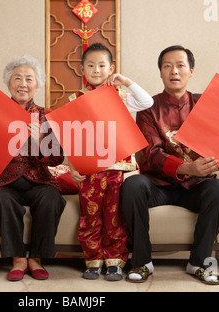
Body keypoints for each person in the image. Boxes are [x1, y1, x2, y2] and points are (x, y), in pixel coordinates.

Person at [122, 45, 219, 285]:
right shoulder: (147, 108)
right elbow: (151, 154)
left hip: (197, 186)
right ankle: (142, 261)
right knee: (132, 185)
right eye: (167, 66)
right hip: (159, 185)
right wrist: (187, 168)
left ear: (191, 71)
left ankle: (200, 262)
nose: (174, 71)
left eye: (180, 65)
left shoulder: (208, 103)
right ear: (161, 73)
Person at [68, 43, 153, 281]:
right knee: (90, 217)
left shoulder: (122, 97)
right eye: (91, 65)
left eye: (102, 65)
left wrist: (125, 81)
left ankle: (115, 261)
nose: (96, 70)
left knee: (115, 218)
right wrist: (73, 166)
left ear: (111, 68)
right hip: (90, 170)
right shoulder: (76, 99)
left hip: (118, 168)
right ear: (82, 69)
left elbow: (147, 102)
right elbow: (71, 136)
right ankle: (93, 261)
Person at [0, 55, 66, 281]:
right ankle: (18, 259)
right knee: (1, 200)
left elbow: (57, 159)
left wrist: (41, 140)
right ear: (8, 83)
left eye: (29, 79)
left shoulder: (47, 115)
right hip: (3, 181)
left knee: (52, 198)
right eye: (17, 78)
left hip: (38, 180)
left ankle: (36, 259)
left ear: (37, 85)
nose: (23, 84)